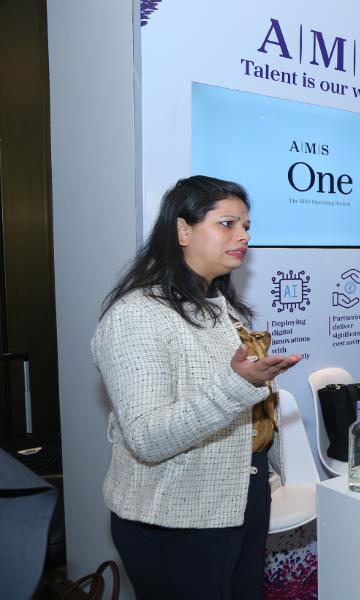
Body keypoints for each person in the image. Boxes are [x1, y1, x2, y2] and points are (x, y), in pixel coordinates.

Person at [92, 176, 301, 599]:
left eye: (246, 226)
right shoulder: (137, 316)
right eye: (227, 224)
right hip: (176, 521)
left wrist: (269, 474)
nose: (243, 236)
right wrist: (238, 385)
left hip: (242, 499)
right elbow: (147, 437)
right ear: (183, 231)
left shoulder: (222, 308)